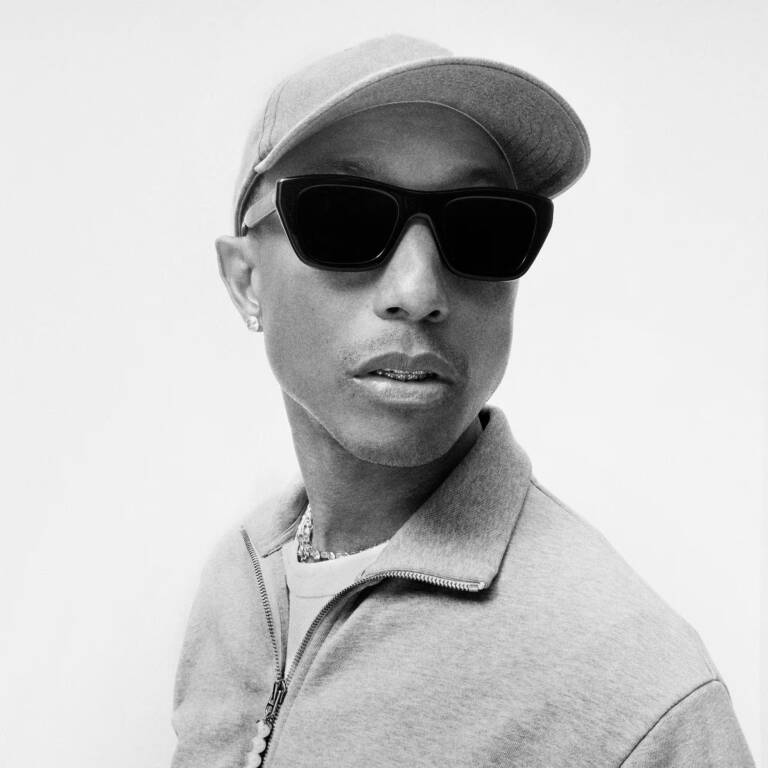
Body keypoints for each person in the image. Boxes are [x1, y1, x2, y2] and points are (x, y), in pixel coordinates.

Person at [170, 35, 755, 767]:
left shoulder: (644, 701)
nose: (418, 291)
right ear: (245, 279)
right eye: (345, 216)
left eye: (481, 226)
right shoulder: (240, 580)